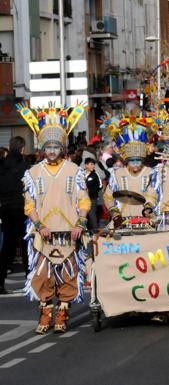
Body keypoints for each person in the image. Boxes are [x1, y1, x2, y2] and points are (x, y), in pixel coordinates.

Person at [16, 103, 90, 334]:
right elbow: (29, 204)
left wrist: (81, 222)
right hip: (44, 232)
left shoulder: (74, 170)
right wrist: (38, 224)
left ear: (62, 147)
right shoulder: (33, 173)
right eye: (47, 146)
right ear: (42, 148)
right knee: (42, 275)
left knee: (68, 274)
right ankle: (45, 312)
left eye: (55, 146)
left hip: (69, 232)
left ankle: (63, 313)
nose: (51, 151)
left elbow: (83, 199)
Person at [102, 112, 155, 228]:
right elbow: (108, 196)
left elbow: (154, 193)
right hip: (122, 220)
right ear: (126, 160)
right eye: (132, 161)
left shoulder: (151, 172)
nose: (135, 164)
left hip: (145, 220)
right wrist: (115, 214)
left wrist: (149, 207)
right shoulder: (117, 174)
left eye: (138, 160)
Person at [0, 136, 28, 293]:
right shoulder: (24, 166)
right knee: (26, 246)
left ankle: (0, 283)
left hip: (5, 208)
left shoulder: (2, 165)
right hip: (22, 208)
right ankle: (30, 280)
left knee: (7, 249)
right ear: (22, 148)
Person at [84, 158, 102, 232]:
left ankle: (95, 232)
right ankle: (86, 232)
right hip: (82, 199)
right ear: (86, 165)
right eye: (91, 164)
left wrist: (90, 191)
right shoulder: (81, 173)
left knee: (92, 216)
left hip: (92, 199)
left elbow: (100, 185)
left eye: (93, 164)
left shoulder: (95, 174)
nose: (93, 166)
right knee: (84, 216)